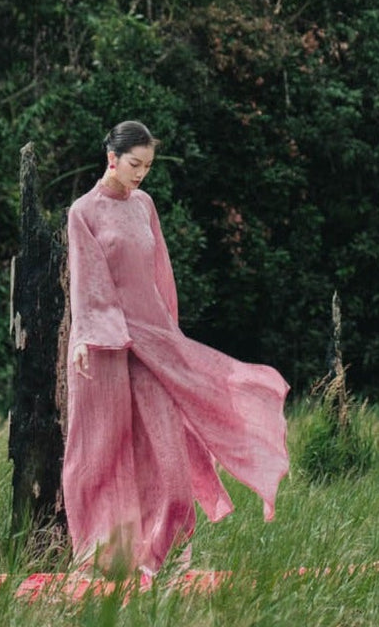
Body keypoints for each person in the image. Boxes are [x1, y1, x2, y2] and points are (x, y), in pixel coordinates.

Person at [63, 120, 290, 577]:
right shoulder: (83, 212)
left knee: (171, 470)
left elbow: (161, 277)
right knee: (99, 454)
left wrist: (170, 341)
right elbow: (87, 283)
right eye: (134, 164)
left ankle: (152, 559)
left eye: (148, 165)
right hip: (104, 349)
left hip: (153, 346)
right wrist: (87, 336)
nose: (141, 173)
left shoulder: (145, 206)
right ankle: (102, 561)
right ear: (112, 158)